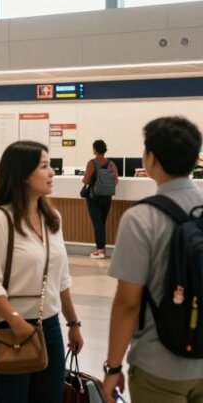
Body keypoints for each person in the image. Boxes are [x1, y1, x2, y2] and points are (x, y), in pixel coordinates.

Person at [102, 117, 203, 403]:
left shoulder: (140, 219)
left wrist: (113, 367)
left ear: (151, 159)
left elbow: (128, 302)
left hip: (159, 367)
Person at [0, 140, 83, 403]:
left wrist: (73, 323)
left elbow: (61, 279)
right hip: (6, 330)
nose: (52, 172)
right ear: (22, 175)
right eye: (45, 166)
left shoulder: (52, 218)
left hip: (50, 326)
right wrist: (17, 321)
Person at [82, 140, 118, 260]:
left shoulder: (92, 163)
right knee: (101, 223)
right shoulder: (111, 164)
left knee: (97, 224)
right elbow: (116, 181)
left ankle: (100, 250)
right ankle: (102, 248)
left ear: (95, 150)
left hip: (94, 197)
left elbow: (86, 180)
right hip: (107, 197)